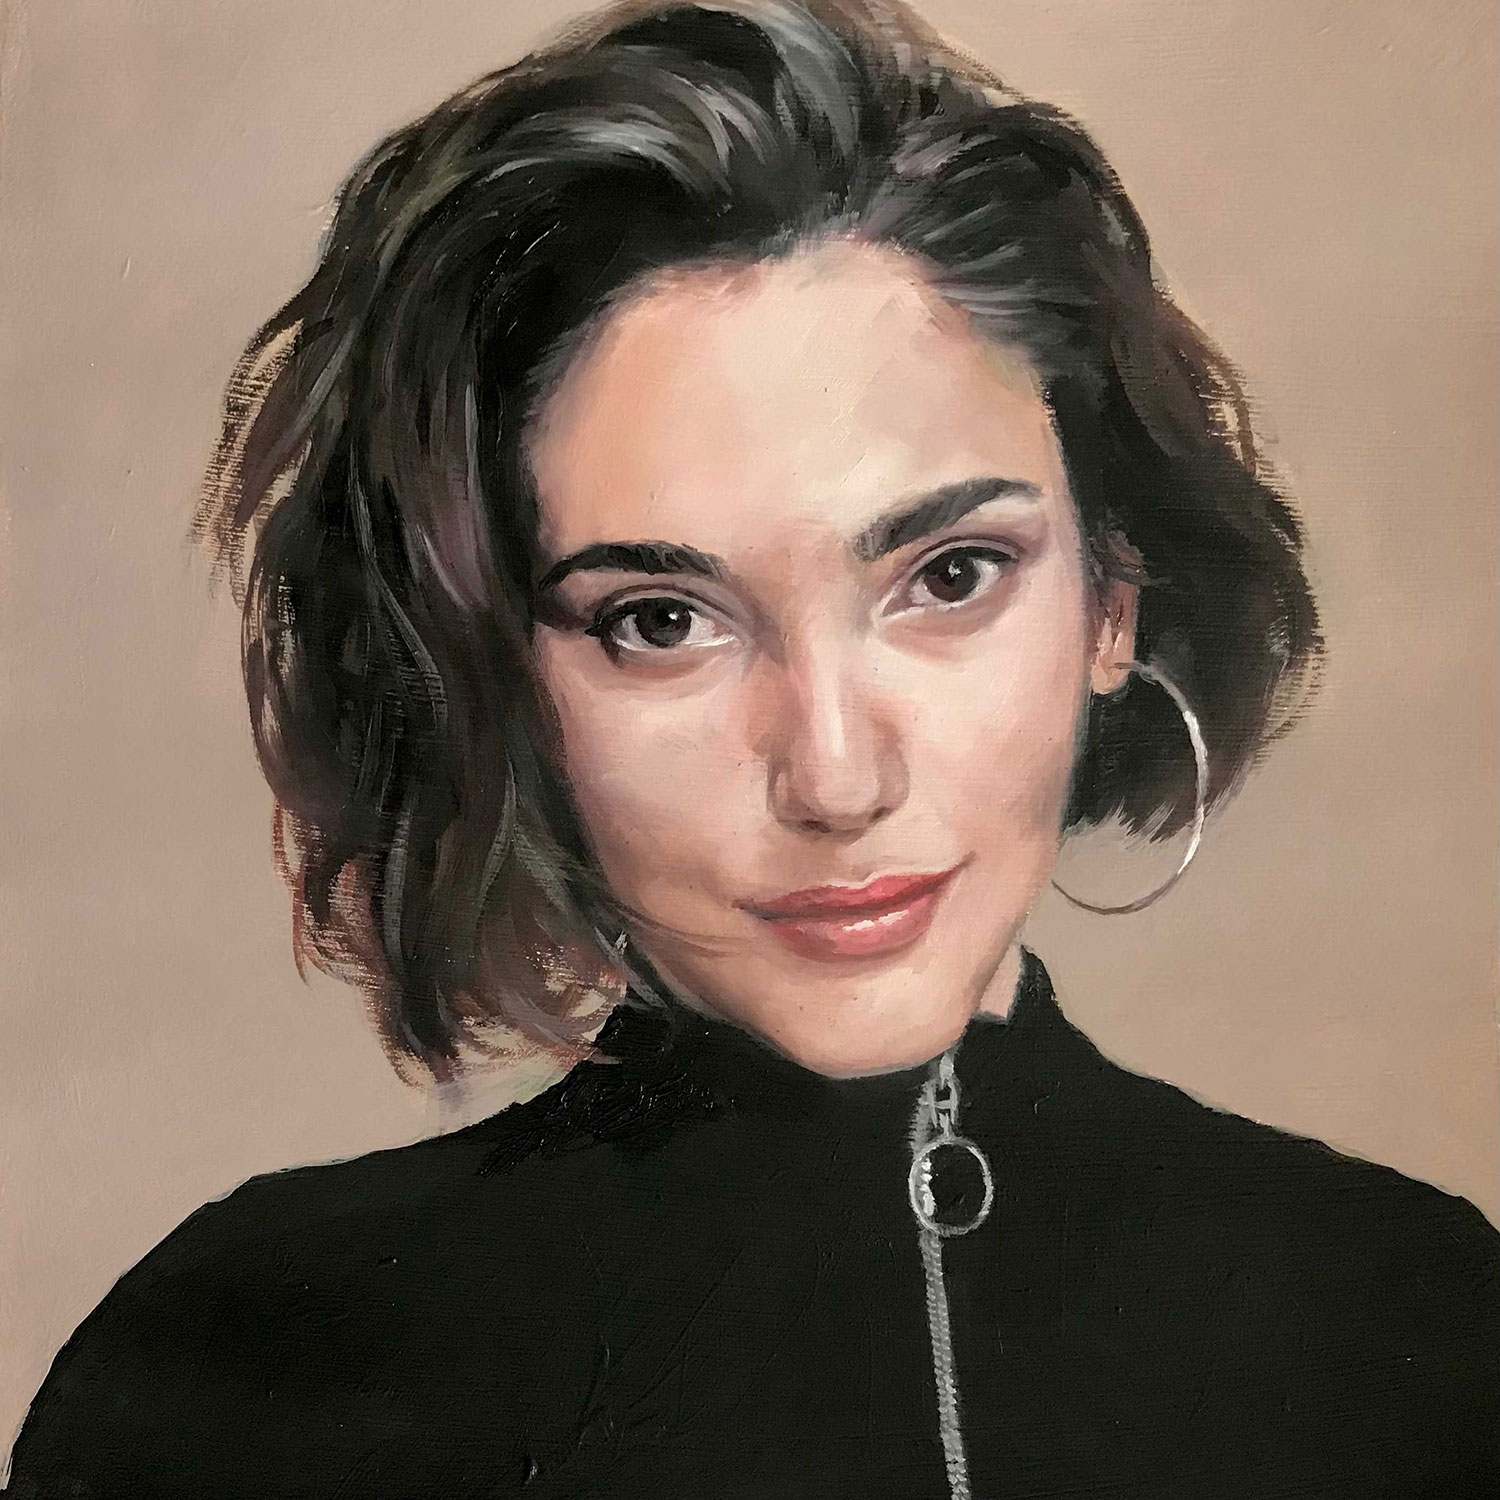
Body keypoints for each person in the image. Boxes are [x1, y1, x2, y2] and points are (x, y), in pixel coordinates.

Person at [8, 1, 1496, 1495]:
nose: (836, 780)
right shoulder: (242, 1369)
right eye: (660, 621)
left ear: (1115, 595)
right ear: (495, 681)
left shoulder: (1414, 1317)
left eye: (951, 577)